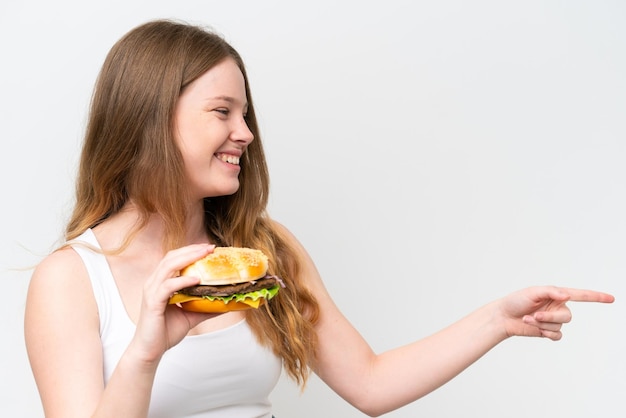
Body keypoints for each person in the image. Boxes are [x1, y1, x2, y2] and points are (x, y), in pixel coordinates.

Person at [24, 19, 614, 418]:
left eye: (246, 113)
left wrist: (497, 321)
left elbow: (371, 383)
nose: (245, 134)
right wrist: (146, 352)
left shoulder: (265, 248)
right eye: (222, 112)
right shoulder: (73, 278)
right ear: (151, 119)